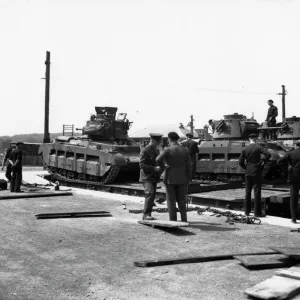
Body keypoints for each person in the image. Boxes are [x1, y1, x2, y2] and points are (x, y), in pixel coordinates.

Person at [156, 132, 192, 222]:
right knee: (182, 200)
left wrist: (164, 166)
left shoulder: (167, 149)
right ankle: (184, 220)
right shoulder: (185, 149)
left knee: (171, 201)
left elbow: (157, 159)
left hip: (170, 178)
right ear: (178, 139)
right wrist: (189, 177)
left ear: (169, 139)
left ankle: (173, 221)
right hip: (182, 178)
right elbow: (189, 166)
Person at [238, 133, 271, 217]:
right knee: (257, 192)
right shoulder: (258, 147)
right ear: (256, 139)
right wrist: (262, 162)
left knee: (247, 192)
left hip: (248, 172)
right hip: (256, 171)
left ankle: (247, 212)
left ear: (249, 139)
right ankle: (257, 213)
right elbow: (268, 154)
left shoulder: (245, 149)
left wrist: (246, 168)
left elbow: (240, 162)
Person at [139, 133, 164, 220]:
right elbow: (142, 165)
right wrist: (154, 168)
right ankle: (146, 215)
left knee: (152, 195)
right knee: (150, 193)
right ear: (152, 141)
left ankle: (148, 214)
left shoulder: (155, 150)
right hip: (146, 176)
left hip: (153, 176)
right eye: (157, 142)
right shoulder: (145, 150)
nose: (158, 144)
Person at [277, 140, 300, 223]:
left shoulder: (291, 153)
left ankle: (294, 218)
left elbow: (279, 161)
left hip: (293, 176)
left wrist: (286, 170)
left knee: (293, 198)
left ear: (296, 145)